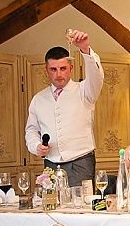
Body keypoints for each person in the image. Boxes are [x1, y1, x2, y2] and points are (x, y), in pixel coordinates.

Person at [25, 30, 104, 187]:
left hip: (81, 163)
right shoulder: (38, 99)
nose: (59, 74)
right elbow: (31, 130)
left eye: (63, 68)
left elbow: (97, 76)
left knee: (82, 206)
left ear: (71, 68)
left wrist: (85, 49)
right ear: (46, 70)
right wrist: (36, 146)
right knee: (53, 206)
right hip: (51, 164)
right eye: (53, 69)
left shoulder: (85, 90)